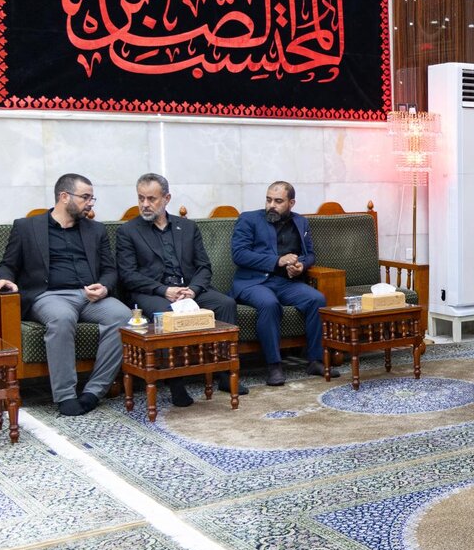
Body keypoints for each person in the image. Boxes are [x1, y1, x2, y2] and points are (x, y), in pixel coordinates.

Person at [0, 173, 132, 416]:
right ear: (64, 197)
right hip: (48, 295)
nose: (90, 203)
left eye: (92, 198)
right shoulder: (26, 227)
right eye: (86, 197)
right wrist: (4, 279)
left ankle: (94, 391)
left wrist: (104, 287)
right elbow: (8, 264)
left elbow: (109, 269)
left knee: (122, 316)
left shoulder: (95, 230)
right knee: (63, 318)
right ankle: (65, 395)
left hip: (89, 296)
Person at [115, 173, 249, 405]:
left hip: (188, 287)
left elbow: (204, 266)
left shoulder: (187, 227)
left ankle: (225, 375)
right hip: (152, 292)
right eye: (140, 198)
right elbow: (128, 276)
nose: (145, 204)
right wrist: (164, 290)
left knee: (225, 304)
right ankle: (176, 383)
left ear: (166, 198)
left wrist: (194, 289)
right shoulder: (128, 232)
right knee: (168, 312)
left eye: (151, 199)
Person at [230, 182, 336, 386]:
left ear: (291, 203)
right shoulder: (248, 219)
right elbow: (239, 254)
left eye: (278, 201)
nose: (271, 205)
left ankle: (315, 360)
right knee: (269, 304)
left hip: (286, 282)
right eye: (268, 199)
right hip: (254, 282)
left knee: (317, 299)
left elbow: (310, 255)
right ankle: (274, 366)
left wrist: (300, 267)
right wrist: (277, 261)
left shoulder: (301, 223)